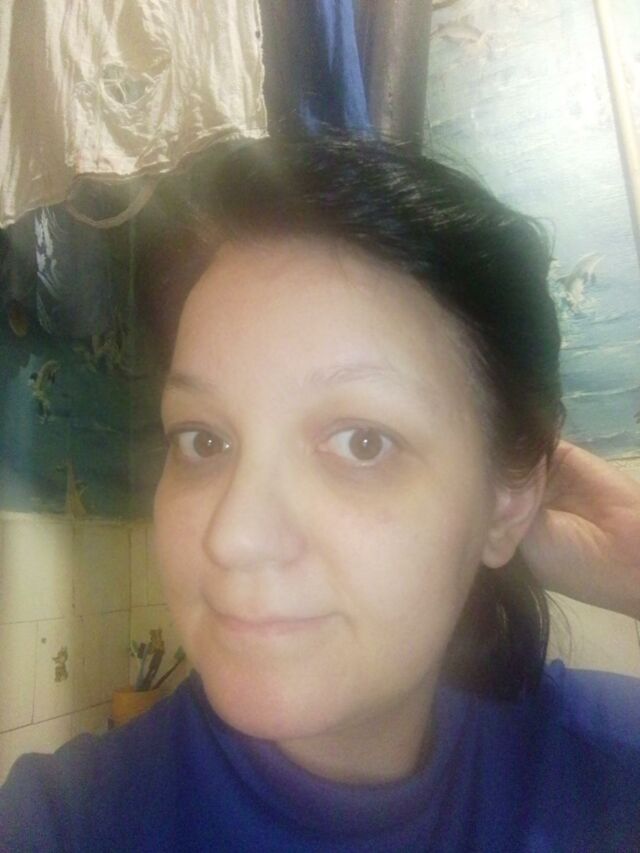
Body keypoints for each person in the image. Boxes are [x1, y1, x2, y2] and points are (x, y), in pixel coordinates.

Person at [1, 137, 639, 851]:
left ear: (510, 498)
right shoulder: (67, 822)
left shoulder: (608, 772)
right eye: (202, 440)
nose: (232, 536)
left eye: (362, 442)